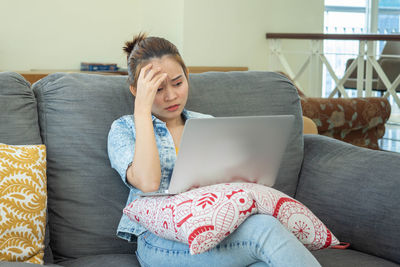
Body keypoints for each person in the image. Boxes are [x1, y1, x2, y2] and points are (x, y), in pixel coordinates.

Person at [107, 33, 321, 267]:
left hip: (214, 229)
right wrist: (142, 111)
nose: (171, 96)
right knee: (265, 230)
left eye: (178, 83)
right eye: (157, 89)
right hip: (156, 240)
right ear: (137, 91)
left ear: (187, 76)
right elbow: (148, 183)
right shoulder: (124, 129)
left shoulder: (206, 123)